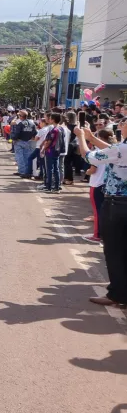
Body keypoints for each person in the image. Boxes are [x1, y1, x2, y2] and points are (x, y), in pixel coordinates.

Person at [76, 119, 127, 307]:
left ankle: (117, 294)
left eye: (124, 123)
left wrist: (82, 138)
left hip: (117, 204)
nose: (120, 126)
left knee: (114, 251)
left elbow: (89, 157)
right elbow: (114, 152)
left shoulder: (121, 150)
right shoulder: (121, 149)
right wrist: (91, 137)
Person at [85, 128, 114, 243]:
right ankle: (105, 234)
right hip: (107, 184)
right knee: (105, 211)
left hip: (97, 183)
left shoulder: (98, 152)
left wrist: (87, 172)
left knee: (97, 211)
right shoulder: (114, 149)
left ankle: (97, 235)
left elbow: (93, 169)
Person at [39, 112, 64, 193]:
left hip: (51, 151)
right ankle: (56, 186)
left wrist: (43, 149)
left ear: (53, 120)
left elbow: (49, 141)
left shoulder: (55, 130)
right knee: (56, 169)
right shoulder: (61, 129)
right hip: (57, 151)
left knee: (49, 169)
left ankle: (49, 186)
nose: (49, 120)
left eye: (50, 118)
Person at [10, 110, 37, 178]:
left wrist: (14, 139)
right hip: (28, 141)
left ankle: (21, 171)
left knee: (19, 157)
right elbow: (35, 133)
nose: (19, 116)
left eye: (19, 115)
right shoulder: (32, 123)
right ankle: (25, 171)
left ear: (21, 116)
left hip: (19, 141)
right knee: (26, 157)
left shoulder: (21, 124)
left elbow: (17, 133)